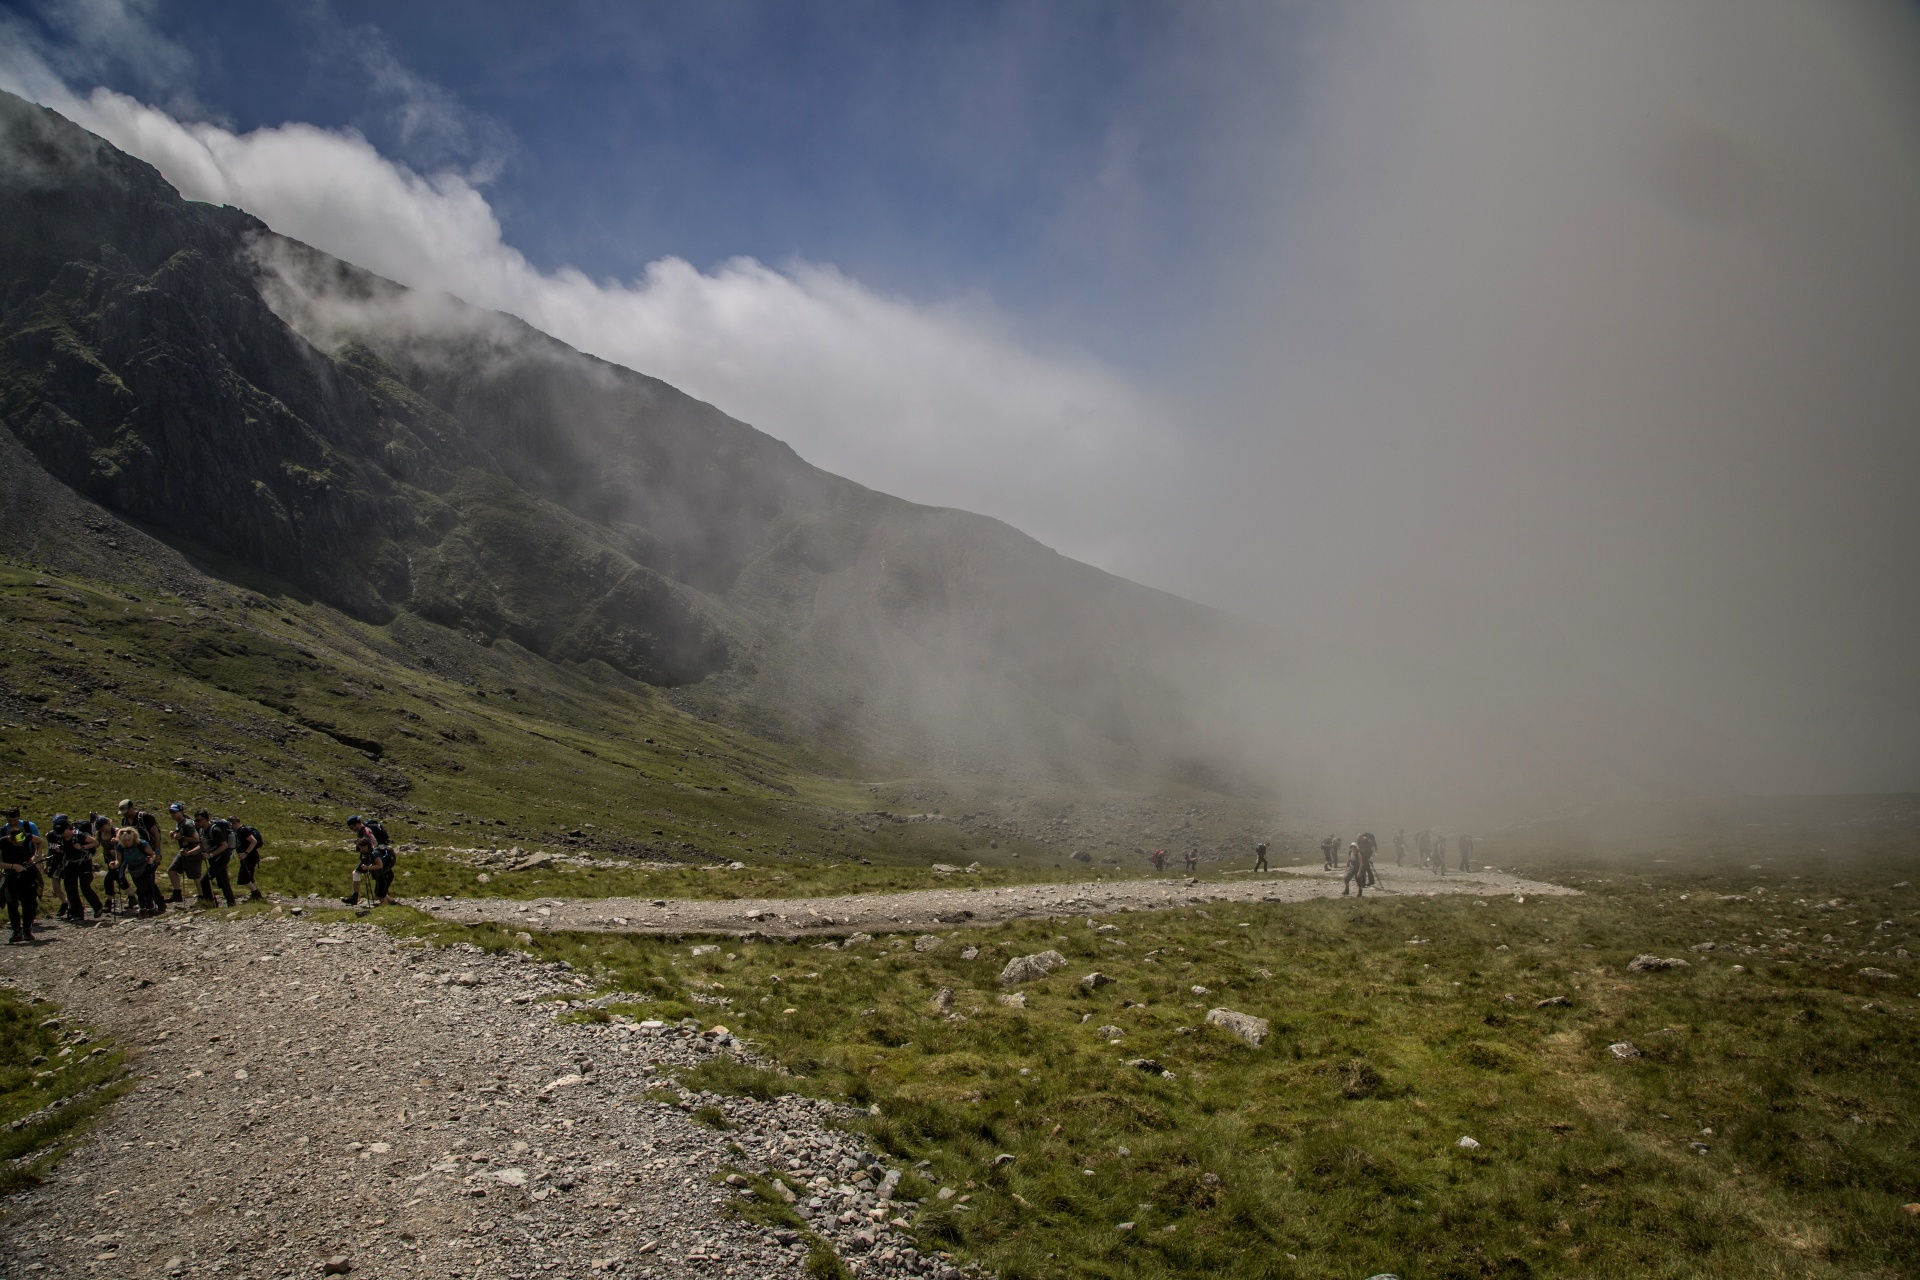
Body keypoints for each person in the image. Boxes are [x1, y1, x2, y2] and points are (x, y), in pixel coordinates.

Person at [2, 807, 45, 944]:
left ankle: (27, 930)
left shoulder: (26, 835)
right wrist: (13, 867)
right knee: (11, 902)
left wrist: (36, 855)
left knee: (28, 903)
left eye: (22, 842)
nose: (20, 844)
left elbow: (39, 841)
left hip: (28, 873)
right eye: (17, 843)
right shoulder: (3, 841)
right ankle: (16, 930)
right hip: (11, 874)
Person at [52, 815, 103, 923]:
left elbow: (95, 842)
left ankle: (97, 906)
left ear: (67, 828)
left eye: (62, 831)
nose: (62, 833)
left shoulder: (79, 835)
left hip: (84, 863)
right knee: (70, 888)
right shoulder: (61, 837)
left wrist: (82, 847)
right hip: (70, 864)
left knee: (85, 887)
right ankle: (78, 913)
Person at [343, 815, 396, 906]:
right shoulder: (363, 831)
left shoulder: (365, 831)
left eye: (352, 827)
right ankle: (390, 901)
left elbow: (373, 842)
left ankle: (355, 897)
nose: (352, 829)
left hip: (371, 857)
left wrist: (369, 852)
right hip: (373, 856)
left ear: (357, 824)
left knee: (357, 873)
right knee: (379, 878)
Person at [116, 826, 165, 916]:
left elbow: (152, 854)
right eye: (124, 841)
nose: (127, 843)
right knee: (145, 889)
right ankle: (151, 908)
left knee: (141, 890)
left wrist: (151, 859)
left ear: (133, 838)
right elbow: (118, 861)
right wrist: (114, 864)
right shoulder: (120, 846)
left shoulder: (141, 843)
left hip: (146, 868)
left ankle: (144, 908)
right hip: (133, 870)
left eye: (128, 840)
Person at [194, 810, 237, 908]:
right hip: (214, 858)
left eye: (199, 820)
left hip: (222, 857)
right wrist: (188, 853)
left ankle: (211, 904)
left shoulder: (215, 830)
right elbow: (202, 845)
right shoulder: (202, 831)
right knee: (223, 881)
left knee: (204, 880)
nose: (197, 823)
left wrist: (210, 855)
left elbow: (224, 845)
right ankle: (231, 903)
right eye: (196, 821)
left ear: (206, 819)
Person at [166, 802, 203, 905]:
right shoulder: (179, 823)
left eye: (174, 812)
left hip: (193, 851)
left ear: (181, 812)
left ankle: (202, 897)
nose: (172, 814)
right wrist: (174, 834)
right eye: (171, 812)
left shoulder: (187, 823)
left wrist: (181, 837)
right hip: (183, 851)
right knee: (171, 870)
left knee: (196, 876)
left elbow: (196, 839)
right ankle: (177, 894)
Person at [93, 814, 126, 915]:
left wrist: (117, 841)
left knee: (109, 878)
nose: (102, 830)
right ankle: (131, 896)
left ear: (108, 824)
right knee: (119, 878)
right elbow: (96, 844)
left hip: (119, 858)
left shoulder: (115, 831)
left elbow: (125, 842)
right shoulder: (99, 833)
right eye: (100, 828)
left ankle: (109, 901)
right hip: (108, 858)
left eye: (103, 827)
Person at [230, 817, 264, 901]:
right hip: (246, 857)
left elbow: (254, 841)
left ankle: (256, 893)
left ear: (235, 823)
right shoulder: (237, 832)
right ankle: (255, 894)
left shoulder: (243, 830)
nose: (230, 827)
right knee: (249, 876)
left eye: (231, 824)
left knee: (243, 878)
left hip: (250, 857)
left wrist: (246, 853)